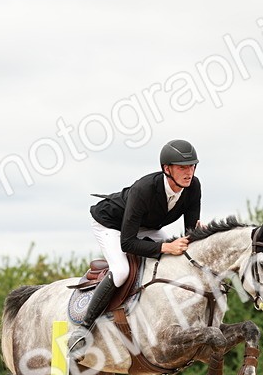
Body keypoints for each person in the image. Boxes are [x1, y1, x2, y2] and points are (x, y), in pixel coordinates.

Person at [70, 139, 203, 356]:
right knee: (121, 271)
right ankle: (84, 328)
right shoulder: (144, 189)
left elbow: (190, 231)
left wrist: (198, 234)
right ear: (166, 169)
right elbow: (128, 243)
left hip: (146, 227)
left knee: (176, 259)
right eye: (182, 167)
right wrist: (166, 247)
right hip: (110, 224)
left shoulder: (193, 186)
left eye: (192, 166)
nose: (189, 172)